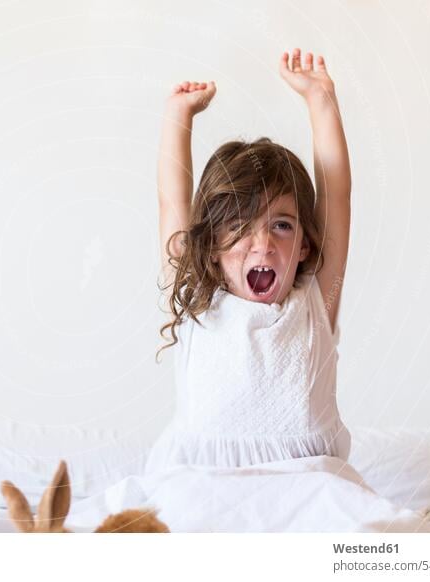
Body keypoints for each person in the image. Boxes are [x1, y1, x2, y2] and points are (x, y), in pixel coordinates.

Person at [147, 48, 351, 471]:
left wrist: (321, 100)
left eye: (282, 225)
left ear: (306, 246)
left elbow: (336, 194)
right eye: (240, 226)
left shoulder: (313, 303)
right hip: (204, 482)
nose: (263, 244)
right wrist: (178, 117)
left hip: (305, 484)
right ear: (212, 248)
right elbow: (171, 203)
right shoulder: (197, 300)